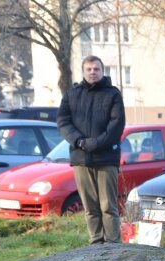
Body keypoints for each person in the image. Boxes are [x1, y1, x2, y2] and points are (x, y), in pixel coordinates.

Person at [57, 55, 126, 244]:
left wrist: (97, 143)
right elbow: (63, 121)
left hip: (106, 158)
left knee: (107, 206)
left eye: (96, 69)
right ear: (83, 72)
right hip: (81, 158)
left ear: (102, 71)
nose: (92, 72)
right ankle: (96, 244)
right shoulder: (72, 94)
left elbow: (116, 124)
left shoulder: (113, 94)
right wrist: (79, 141)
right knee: (90, 207)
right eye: (89, 69)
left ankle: (113, 245)